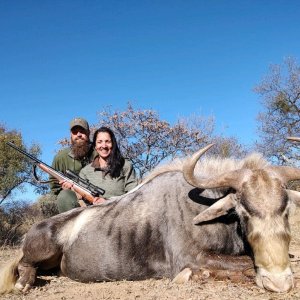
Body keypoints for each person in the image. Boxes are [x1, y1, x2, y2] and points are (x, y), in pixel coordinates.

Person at [78, 126, 138, 204]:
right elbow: (82, 200)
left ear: (113, 144)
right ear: (95, 146)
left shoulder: (126, 166)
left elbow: (134, 196)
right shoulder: (85, 171)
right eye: (99, 142)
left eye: (107, 141)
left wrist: (108, 202)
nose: (104, 146)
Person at [50, 117, 97, 213]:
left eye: (82, 131)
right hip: (76, 203)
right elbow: (55, 187)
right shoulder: (60, 157)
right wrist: (65, 189)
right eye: (75, 132)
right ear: (71, 135)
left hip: (101, 198)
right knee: (64, 196)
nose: (78, 135)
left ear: (88, 133)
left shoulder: (99, 151)